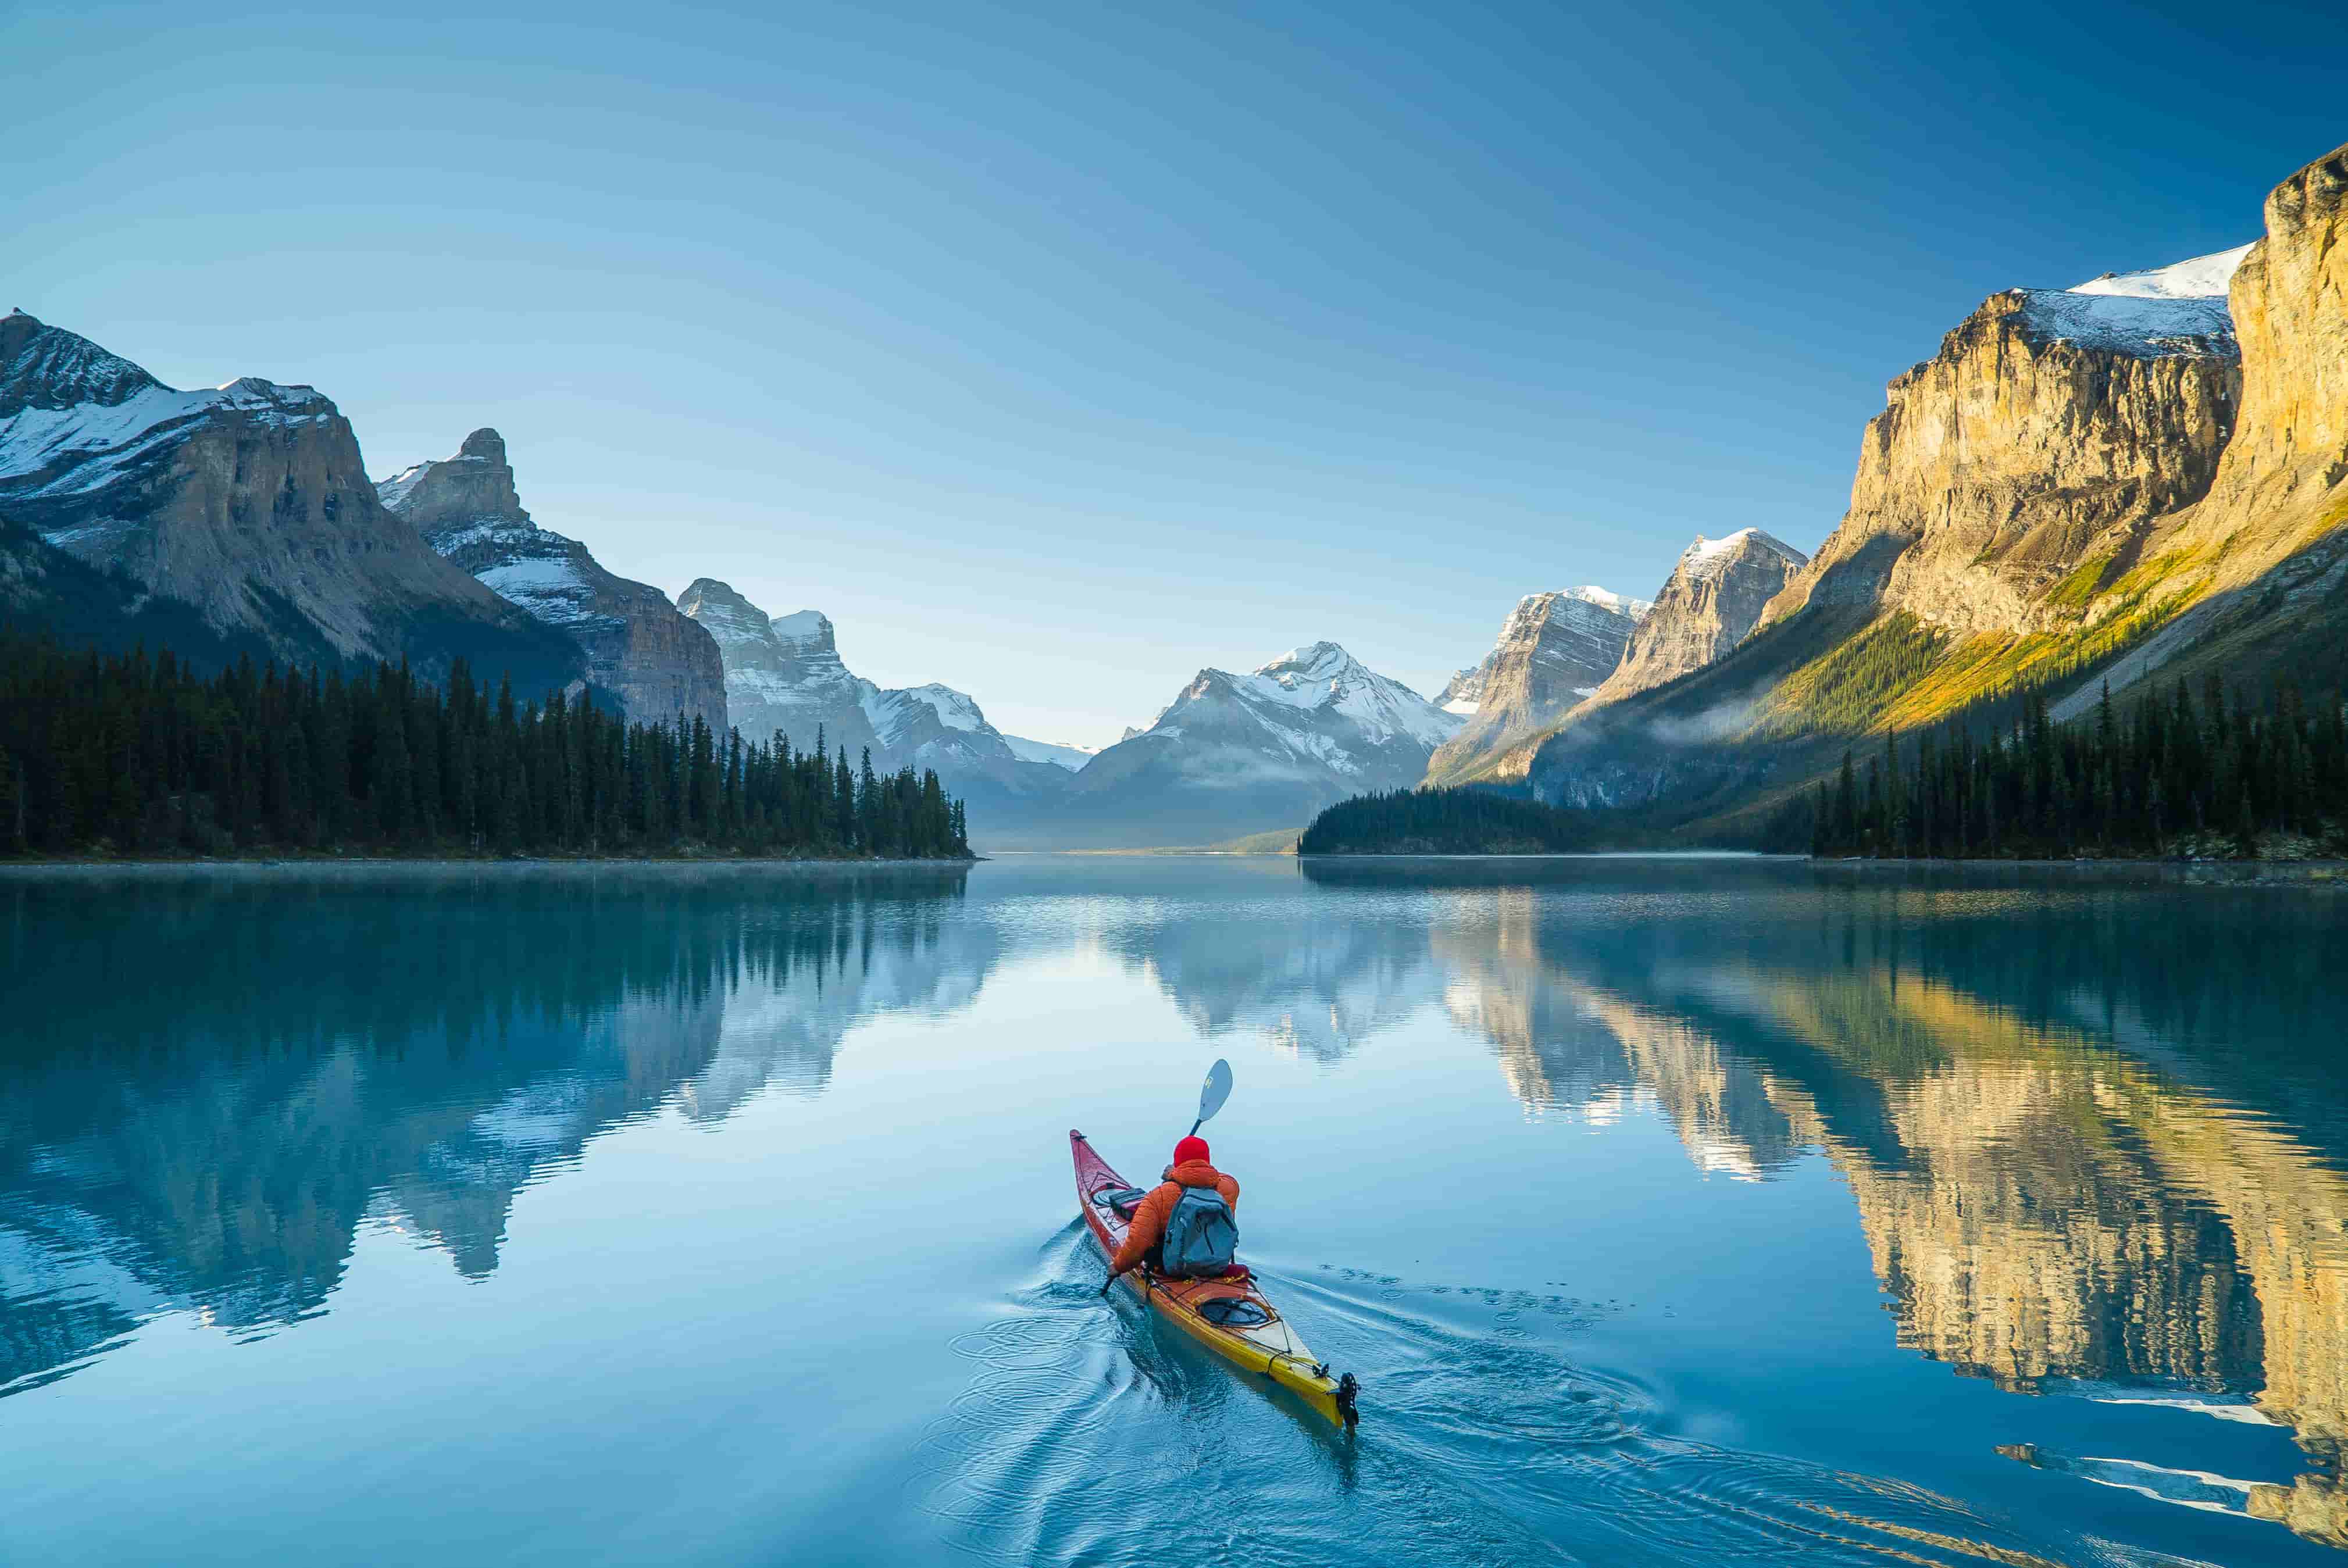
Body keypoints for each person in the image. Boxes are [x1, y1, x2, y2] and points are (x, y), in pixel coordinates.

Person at [1106, 1134, 1241, 1283]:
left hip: (1173, 1270)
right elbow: (1212, 1176)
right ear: (1207, 1160)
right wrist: (1177, 1174)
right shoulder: (1229, 1188)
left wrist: (1118, 1267)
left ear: (1177, 1161)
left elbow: (1137, 1243)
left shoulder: (1158, 1196)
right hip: (1217, 1265)